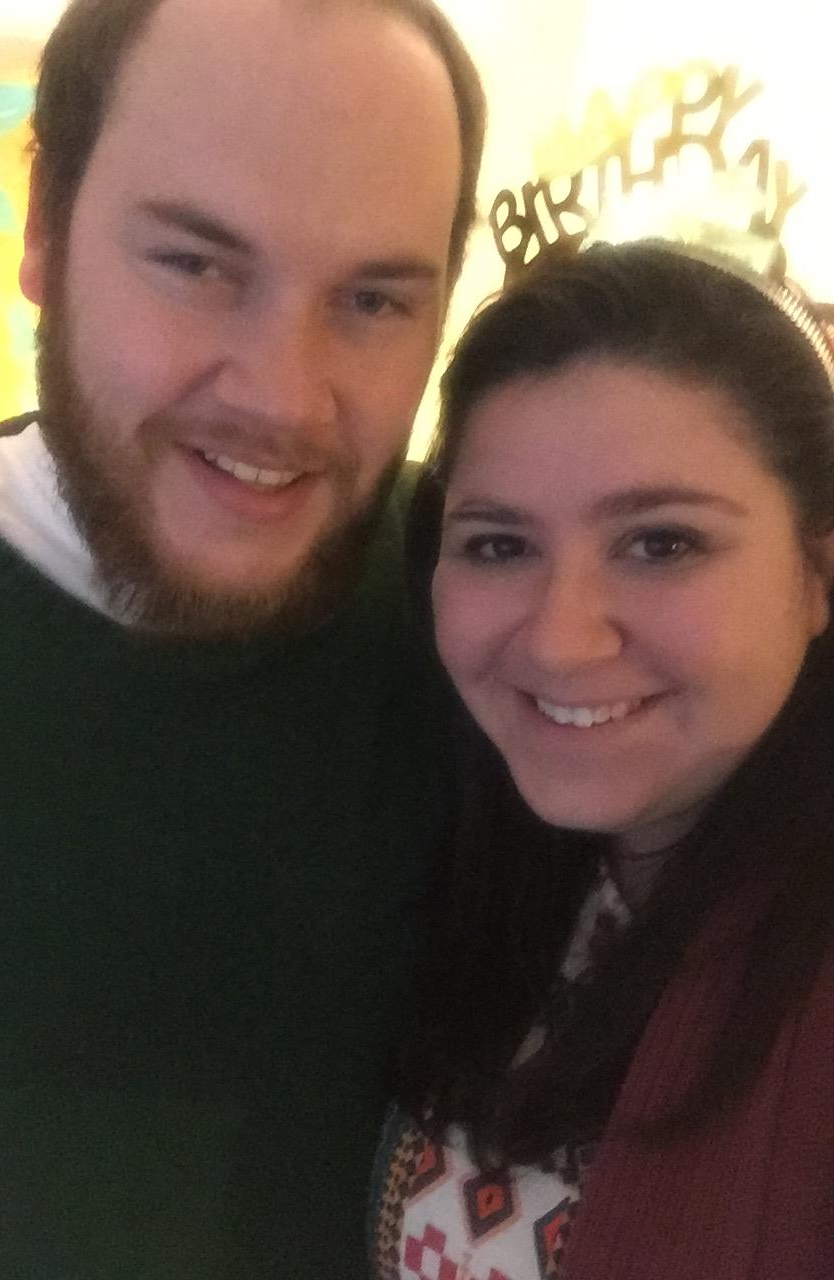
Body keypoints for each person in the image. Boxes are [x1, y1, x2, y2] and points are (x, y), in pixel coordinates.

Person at [0, 0, 485, 1275]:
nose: (282, 395)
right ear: (43, 229)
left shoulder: (510, 631)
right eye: (199, 264)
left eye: (374, 298)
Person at [371, 239, 834, 1279]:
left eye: (661, 543)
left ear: (817, 571)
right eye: (499, 544)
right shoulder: (503, 867)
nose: (559, 640)